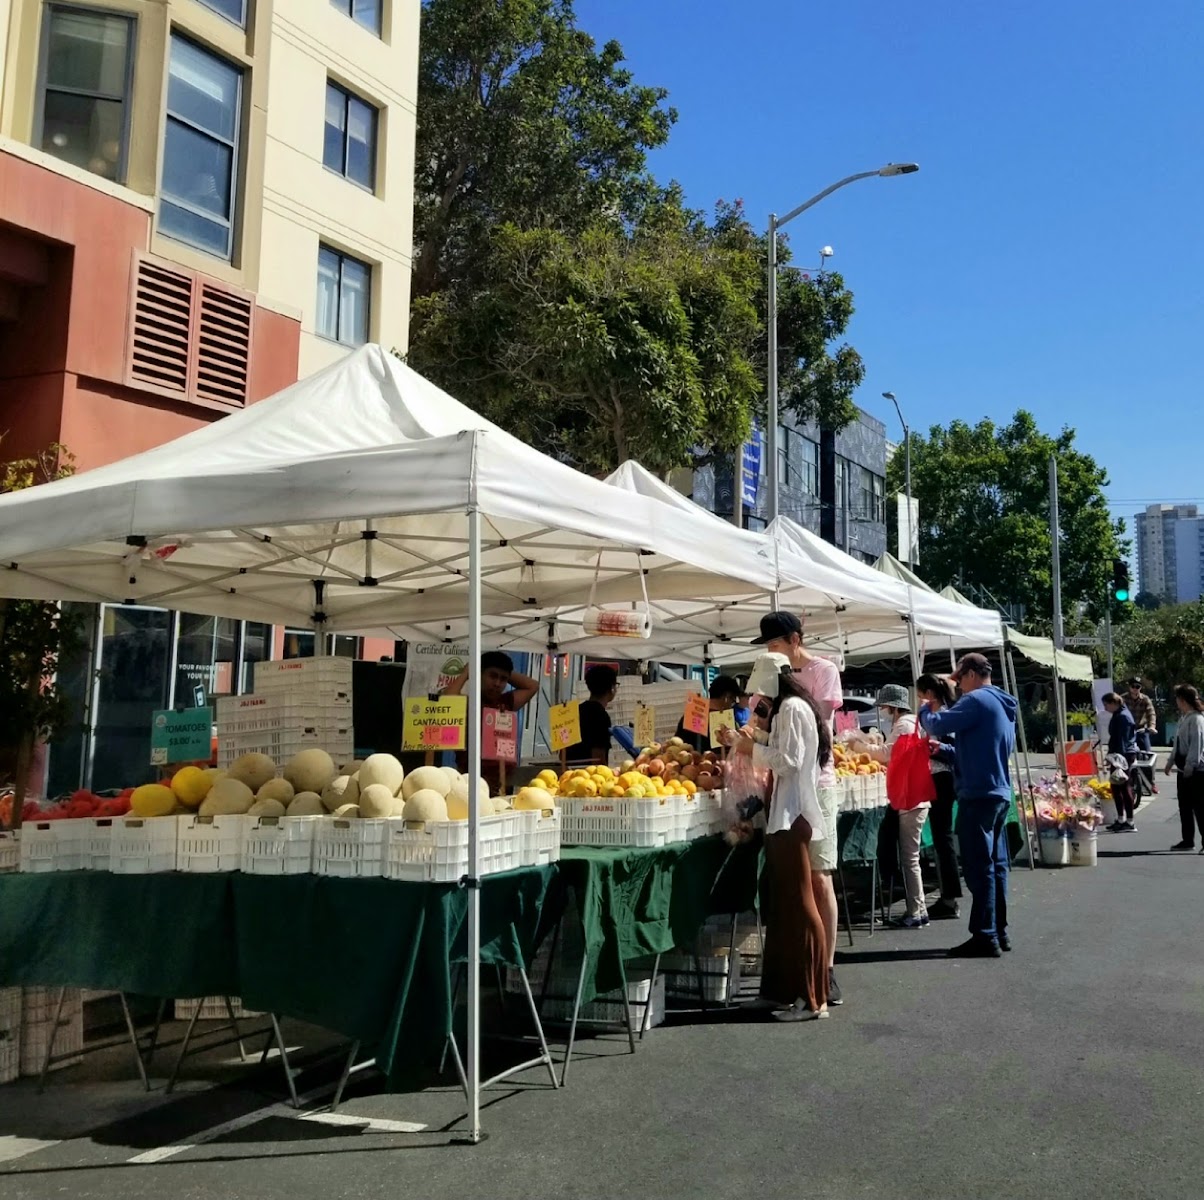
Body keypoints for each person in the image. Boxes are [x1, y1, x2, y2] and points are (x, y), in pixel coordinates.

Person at [720, 652, 830, 1021]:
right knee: (782, 908)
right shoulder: (788, 709)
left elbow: (791, 760)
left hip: (792, 813)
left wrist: (752, 747)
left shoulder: (795, 708)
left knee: (799, 905)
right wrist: (749, 739)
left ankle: (813, 998)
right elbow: (783, 751)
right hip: (782, 813)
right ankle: (780, 990)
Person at [752, 611, 844, 1005]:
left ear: (793, 639)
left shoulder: (820, 674)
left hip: (814, 787)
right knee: (796, 887)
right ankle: (801, 977)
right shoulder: (780, 697)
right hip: (787, 789)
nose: (772, 653)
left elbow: (803, 744)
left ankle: (824, 971)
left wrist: (754, 745)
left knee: (816, 881)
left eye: (773, 645)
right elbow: (764, 722)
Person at [918, 653, 1017, 959]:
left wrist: (924, 708)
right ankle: (998, 931)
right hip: (997, 791)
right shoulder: (1002, 703)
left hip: (979, 793)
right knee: (996, 866)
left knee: (979, 868)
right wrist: (946, 749)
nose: (958, 686)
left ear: (972, 674)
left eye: (959, 679)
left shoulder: (975, 701)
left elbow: (936, 722)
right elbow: (978, 748)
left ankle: (985, 935)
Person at [867, 684, 930, 929]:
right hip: (915, 796)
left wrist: (862, 747)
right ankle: (919, 908)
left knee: (909, 859)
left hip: (912, 799)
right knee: (910, 858)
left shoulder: (904, 725)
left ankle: (916, 910)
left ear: (894, 707)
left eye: (884, 706)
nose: (882, 711)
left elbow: (887, 753)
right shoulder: (911, 723)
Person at [442, 651, 539, 794]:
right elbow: (448, 700)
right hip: (470, 781)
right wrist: (467, 672)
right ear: (479, 674)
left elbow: (533, 686)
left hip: (503, 783)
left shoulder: (506, 702)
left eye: (503, 679)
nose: (497, 684)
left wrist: (505, 670)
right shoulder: (469, 703)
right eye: (492, 676)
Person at [916, 673, 963, 920]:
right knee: (941, 837)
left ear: (928, 693)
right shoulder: (937, 714)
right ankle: (948, 896)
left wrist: (936, 749)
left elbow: (955, 751)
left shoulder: (942, 716)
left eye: (920, 694)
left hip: (943, 781)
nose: (919, 700)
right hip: (936, 780)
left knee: (943, 838)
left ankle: (949, 899)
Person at [1165, 684, 1204, 852]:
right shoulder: (1184, 718)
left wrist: (1190, 767)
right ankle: (1188, 840)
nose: (1176, 702)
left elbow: (1197, 745)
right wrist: (1170, 761)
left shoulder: (1197, 719)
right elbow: (1177, 744)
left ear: (1183, 700)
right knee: (1185, 806)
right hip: (1183, 770)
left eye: (1177, 698)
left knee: (1199, 807)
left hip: (1196, 771)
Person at [674, 674, 740, 752]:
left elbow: (678, 743)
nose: (732, 706)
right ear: (726, 697)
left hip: (690, 762)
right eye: (733, 701)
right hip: (718, 762)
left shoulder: (692, 714)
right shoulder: (728, 722)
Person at [568, 664, 619, 764]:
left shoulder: (576, 711)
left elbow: (564, 752)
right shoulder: (601, 716)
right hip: (589, 775)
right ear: (612, 688)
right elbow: (598, 756)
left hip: (569, 772)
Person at [1103, 692, 1138, 833]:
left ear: (1114, 703)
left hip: (1122, 755)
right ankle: (1121, 819)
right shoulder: (1121, 714)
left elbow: (1121, 739)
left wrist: (1117, 759)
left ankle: (1128, 821)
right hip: (1121, 753)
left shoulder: (1122, 717)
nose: (1105, 708)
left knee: (1123, 786)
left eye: (1106, 704)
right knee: (1118, 787)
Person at [1125, 678, 1158, 796]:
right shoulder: (1123, 699)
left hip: (1141, 730)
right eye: (1133, 686)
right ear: (1129, 687)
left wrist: (1152, 726)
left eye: (1138, 687)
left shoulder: (1145, 699)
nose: (1135, 689)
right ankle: (1127, 781)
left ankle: (1152, 783)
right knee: (1125, 755)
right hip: (1127, 731)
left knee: (1147, 755)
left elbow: (1151, 713)